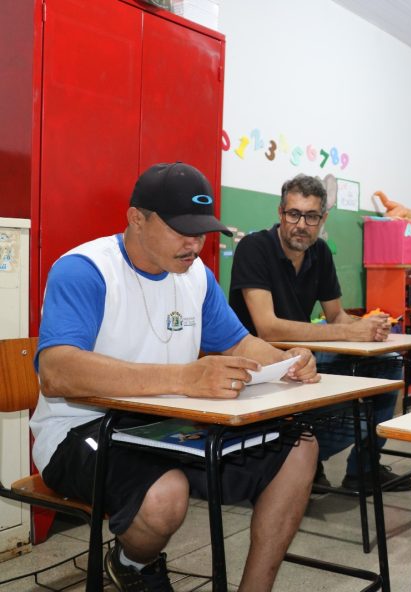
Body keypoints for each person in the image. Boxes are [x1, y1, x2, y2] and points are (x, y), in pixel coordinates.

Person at [30, 162, 320, 592]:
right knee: (166, 494)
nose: (194, 244)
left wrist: (290, 359)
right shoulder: (85, 269)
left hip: (169, 425)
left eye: (201, 232)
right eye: (181, 230)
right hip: (80, 431)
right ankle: (132, 562)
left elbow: (239, 344)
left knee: (299, 447)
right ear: (136, 219)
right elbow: (58, 373)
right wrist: (186, 378)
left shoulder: (196, 277)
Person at [229, 173, 411, 492]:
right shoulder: (254, 248)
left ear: (322, 218)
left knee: (389, 362)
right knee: (332, 372)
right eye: (294, 214)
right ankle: (302, 460)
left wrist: (368, 326)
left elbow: (336, 315)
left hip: (303, 356)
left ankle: (362, 468)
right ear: (280, 213)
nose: (302, 224)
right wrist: (349, 334)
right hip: (261, 361)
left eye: (311, 216)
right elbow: (267, 327)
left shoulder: (321, 253)